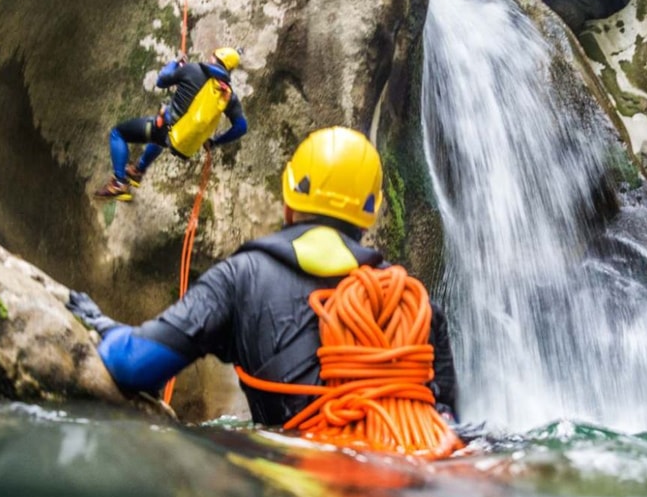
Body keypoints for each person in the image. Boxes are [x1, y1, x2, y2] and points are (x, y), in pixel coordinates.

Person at [69, 126, 458, 424]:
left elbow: (135, 364)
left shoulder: (242, 278)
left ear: (289, 198)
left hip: (297, 488)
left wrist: (104, 325)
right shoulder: (415, 303)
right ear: (370, 214)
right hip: (408, 489)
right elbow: (447, 422)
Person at [94, 47, 249, 201]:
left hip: (164, 129)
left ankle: (119, 183)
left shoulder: (193, 70)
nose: (210, 57)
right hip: (181, 142)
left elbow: (161, 80)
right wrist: (214, 142)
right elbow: (241, 127)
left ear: (216, 58)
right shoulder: (227, 95)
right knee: (161, 138)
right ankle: (138, 170)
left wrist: (175, 63)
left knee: (118, 133)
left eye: (213, 55)